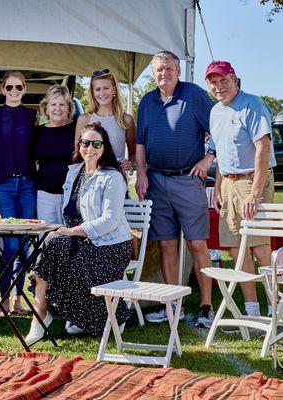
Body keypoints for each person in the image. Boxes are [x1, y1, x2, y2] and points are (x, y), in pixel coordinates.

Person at [25, 122, 132, 343]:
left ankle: (42, 315)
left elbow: (110, 221)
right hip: (79, 241)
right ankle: (42, 315)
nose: (89, 148)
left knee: (53, 244)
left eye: (96, 143)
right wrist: (68, 232)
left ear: (104, 147)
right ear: (79, 145)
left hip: (109, 245)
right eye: (85, 143)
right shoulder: (74, 172)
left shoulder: (112, 177)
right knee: (50, 244)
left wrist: (73, 231)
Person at [135, 50, 216, 328]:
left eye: (169, 68)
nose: (164, 73)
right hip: (156, 181)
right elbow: (140, 143)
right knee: (167, 244)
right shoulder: (146, 101)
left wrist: (209, 158)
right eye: (159, 69)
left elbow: (216, 128)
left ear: (178, 71)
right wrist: (141, 173)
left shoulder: (193, 95)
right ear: (153, 73)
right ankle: (173, 305)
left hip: (187, 179)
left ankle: (206, 306)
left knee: (196, 243)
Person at [205, 60, 276, 319]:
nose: (219, 86)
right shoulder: (215, 112)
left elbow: (263, 149)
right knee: (236, 247)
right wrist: (221, 188)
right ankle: (252, 312)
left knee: (259, 247)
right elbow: (222, 155)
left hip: (252, 181)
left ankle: (275, 308)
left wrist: (254, 194)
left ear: (234, 79)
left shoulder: (253, 104)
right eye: (213, 82)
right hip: (229, 182)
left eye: (223, 80)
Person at [0, 71, 37, 315]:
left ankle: (18, 299)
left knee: (24, 244)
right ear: (2, 90)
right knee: (10, 244)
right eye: (9, 88)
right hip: (1, 185)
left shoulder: (32, 116)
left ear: (24, 90)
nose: (14, 92)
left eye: (18, 88)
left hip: (27, 185)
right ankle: (4, 298)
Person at [76, 69, 135, 170]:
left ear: (114, 90)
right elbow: (78, 153)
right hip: (90, 178)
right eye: (98, 89)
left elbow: (134, 153)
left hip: (116, 178)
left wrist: (129, 163)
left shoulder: (126, 120)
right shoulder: (84, 119)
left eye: (106, 88)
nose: (102, 93)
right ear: (93, 93)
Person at [34, 85, 77, 224]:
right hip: (45, 194)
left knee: (71, 237)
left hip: (72, 194)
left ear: (69, 108)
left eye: (62, 104)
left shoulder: (77, 128)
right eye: (53, 104)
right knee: (47, 238)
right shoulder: (38, 132)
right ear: (46, 108)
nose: (57, 109)